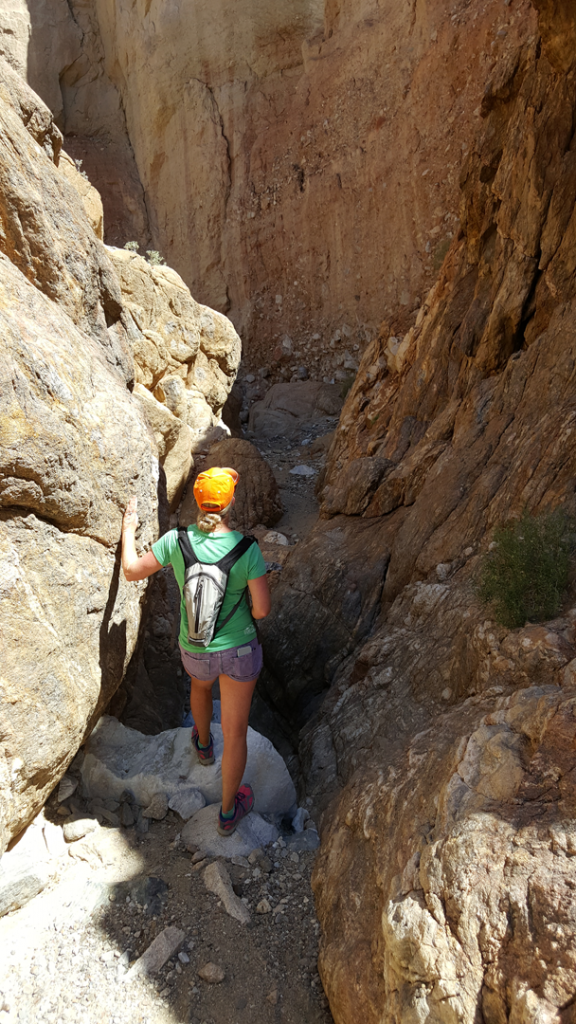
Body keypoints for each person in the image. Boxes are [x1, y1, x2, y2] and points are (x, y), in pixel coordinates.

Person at [121, 467, 271, 836]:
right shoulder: (246, 549)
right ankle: (226, 813)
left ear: (197, 502)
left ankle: (202, 745)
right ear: (231, 502)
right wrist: (246, 612)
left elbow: (131, 570)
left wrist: (127, 529)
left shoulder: (176, 540)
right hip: (238, 651)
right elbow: (262, 610)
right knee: (235, 734)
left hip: (195, 648)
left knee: (200, 688)